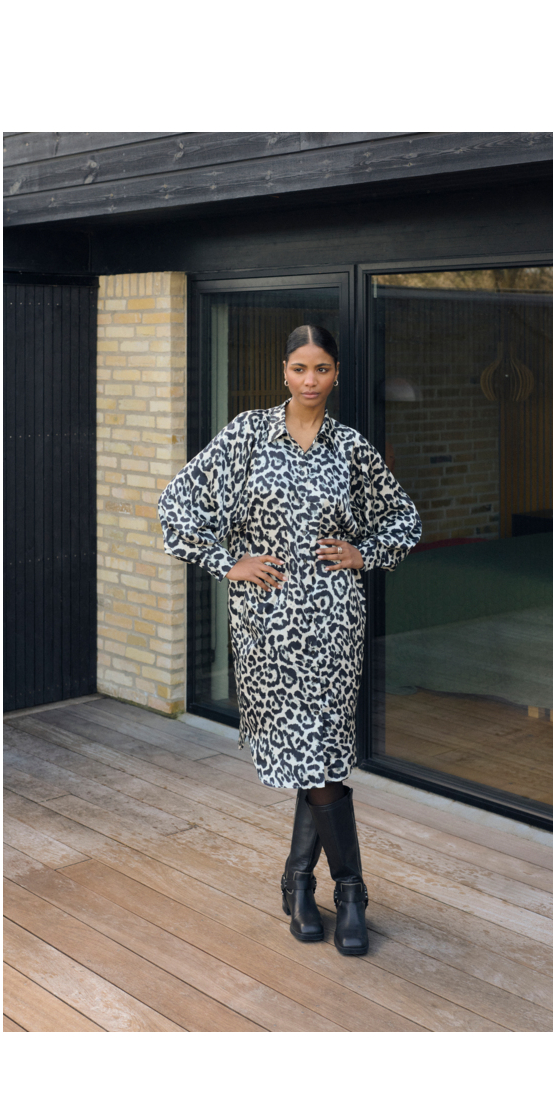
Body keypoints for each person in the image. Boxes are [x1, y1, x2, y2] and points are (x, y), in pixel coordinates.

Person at [157, 325, 422, 955]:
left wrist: (364, 553)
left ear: (336, 375)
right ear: (284, 371)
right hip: (267, 628)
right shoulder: (247, 435)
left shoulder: (350, 447)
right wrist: (229, 562)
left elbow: (404, 519)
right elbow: (176, 505)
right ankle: (340, 888)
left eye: (322, 368)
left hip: (333, 625)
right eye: (301, 368)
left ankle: (312, 885)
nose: (311, 379)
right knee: (315, 758)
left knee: (320, 755)